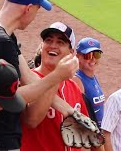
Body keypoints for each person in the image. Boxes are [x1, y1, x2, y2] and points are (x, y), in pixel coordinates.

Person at [0, 0, 78, 150]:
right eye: (37, 9)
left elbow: (28, 77)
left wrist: (68, 110)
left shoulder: (2, 34)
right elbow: (10, 97)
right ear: (28, 8)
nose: (36, 15)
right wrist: (57, 76)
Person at [20, 22, 89, 151]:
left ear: (71, 52)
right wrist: (58, 75)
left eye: (60, 42)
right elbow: (31, 120)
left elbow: (85, 134)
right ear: (41, 46)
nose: (53, 46)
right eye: (48, 40)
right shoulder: (28, 80)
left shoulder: (73, 88)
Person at [72, 37, 105, 151]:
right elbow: (81, 119)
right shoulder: (77, 80)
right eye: (87, 56)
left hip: (99, 135)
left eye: (96, 55)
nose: (92, 59)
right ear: (78, 57)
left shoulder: (92, 76)